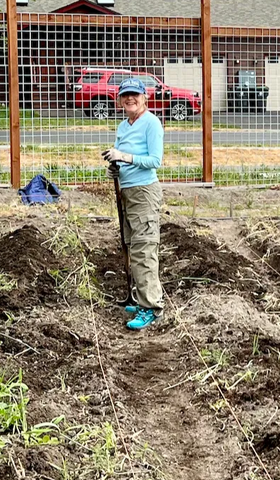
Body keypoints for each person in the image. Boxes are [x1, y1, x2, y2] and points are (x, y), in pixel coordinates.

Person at [103, 78, 165, 330]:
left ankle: (151, 307)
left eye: (135, 95)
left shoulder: (151, 123)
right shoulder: (123, 125)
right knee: (131, 246)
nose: (130, 99)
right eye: (125, 95)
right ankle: (137, 297)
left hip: (144, 193)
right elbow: (122, 158)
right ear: (119, 99)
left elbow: (154, 160)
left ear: (144, 97)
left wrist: (124, 156)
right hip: (127, 192)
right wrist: (115, 168)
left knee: (144, 249)